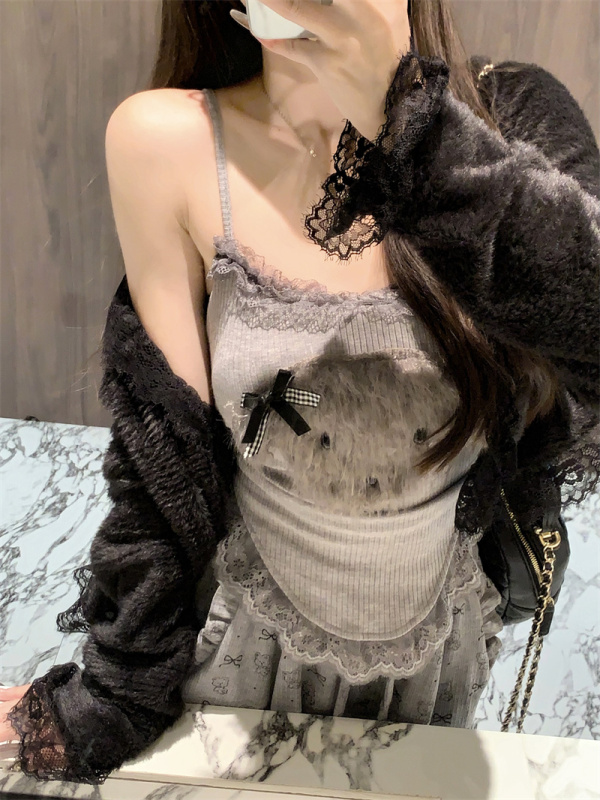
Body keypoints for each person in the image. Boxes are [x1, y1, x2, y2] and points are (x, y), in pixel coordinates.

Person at [2, 0, 599, 785]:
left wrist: (416, 127)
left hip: (435, 644)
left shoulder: (506, 123)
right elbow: (164, 461)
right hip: (240, 641)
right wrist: (112, 698)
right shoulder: (168, 140)